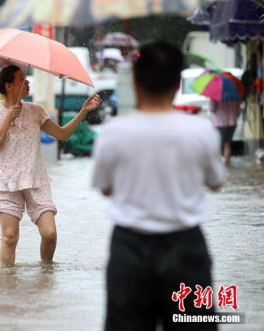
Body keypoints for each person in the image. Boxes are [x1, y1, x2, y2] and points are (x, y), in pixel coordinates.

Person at [91, 41, 225, 331]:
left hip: (129, 250)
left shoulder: (113, 133)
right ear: (178, 82)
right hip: (186, 250)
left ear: (135, 81)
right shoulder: (201, 131)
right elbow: (216, 183)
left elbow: (104, 188)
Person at [0, 65, 100, 266]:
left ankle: (46, 274)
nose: (27, 82)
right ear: (8, 86)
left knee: (49, 233)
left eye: (26, 78)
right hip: (7, 182)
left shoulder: (35, 111)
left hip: (37, 180)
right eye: (21, 79)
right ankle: (8, 286)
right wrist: (8, 118)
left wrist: (83, 112)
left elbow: (62, 134)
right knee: (10, 237)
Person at [209, 99, 242, 166]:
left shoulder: (215, 96)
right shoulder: (234, 95)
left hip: (219, 123)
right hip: (232, 123)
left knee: (217, 144)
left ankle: (217, 166)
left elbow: (212, 109)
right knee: (227, 144)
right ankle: (227, 164)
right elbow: (238, 111)